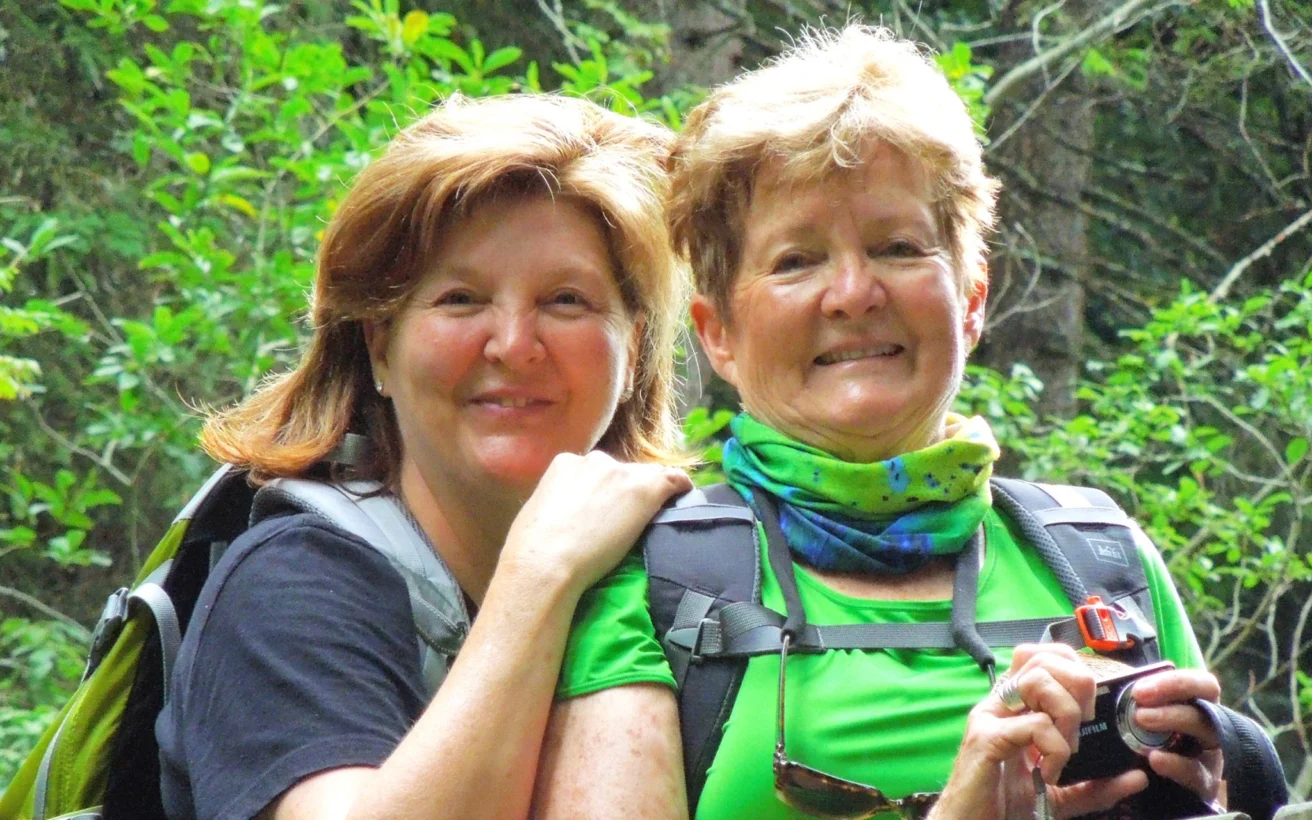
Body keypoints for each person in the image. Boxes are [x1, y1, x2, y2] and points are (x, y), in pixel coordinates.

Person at [533, 26, 1227, 820]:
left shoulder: (1103, 562)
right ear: (717, 329)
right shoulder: (652, 585)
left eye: (899, 247)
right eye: (797, 260)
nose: (854, 293)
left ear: (971, 298)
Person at [155, 93, 692, 820]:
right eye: (461, 299)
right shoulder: (289, 586)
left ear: (633, 349)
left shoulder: (685, 578)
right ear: (380, 345)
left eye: (566, 300)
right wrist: (541, 575)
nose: (513, 344)